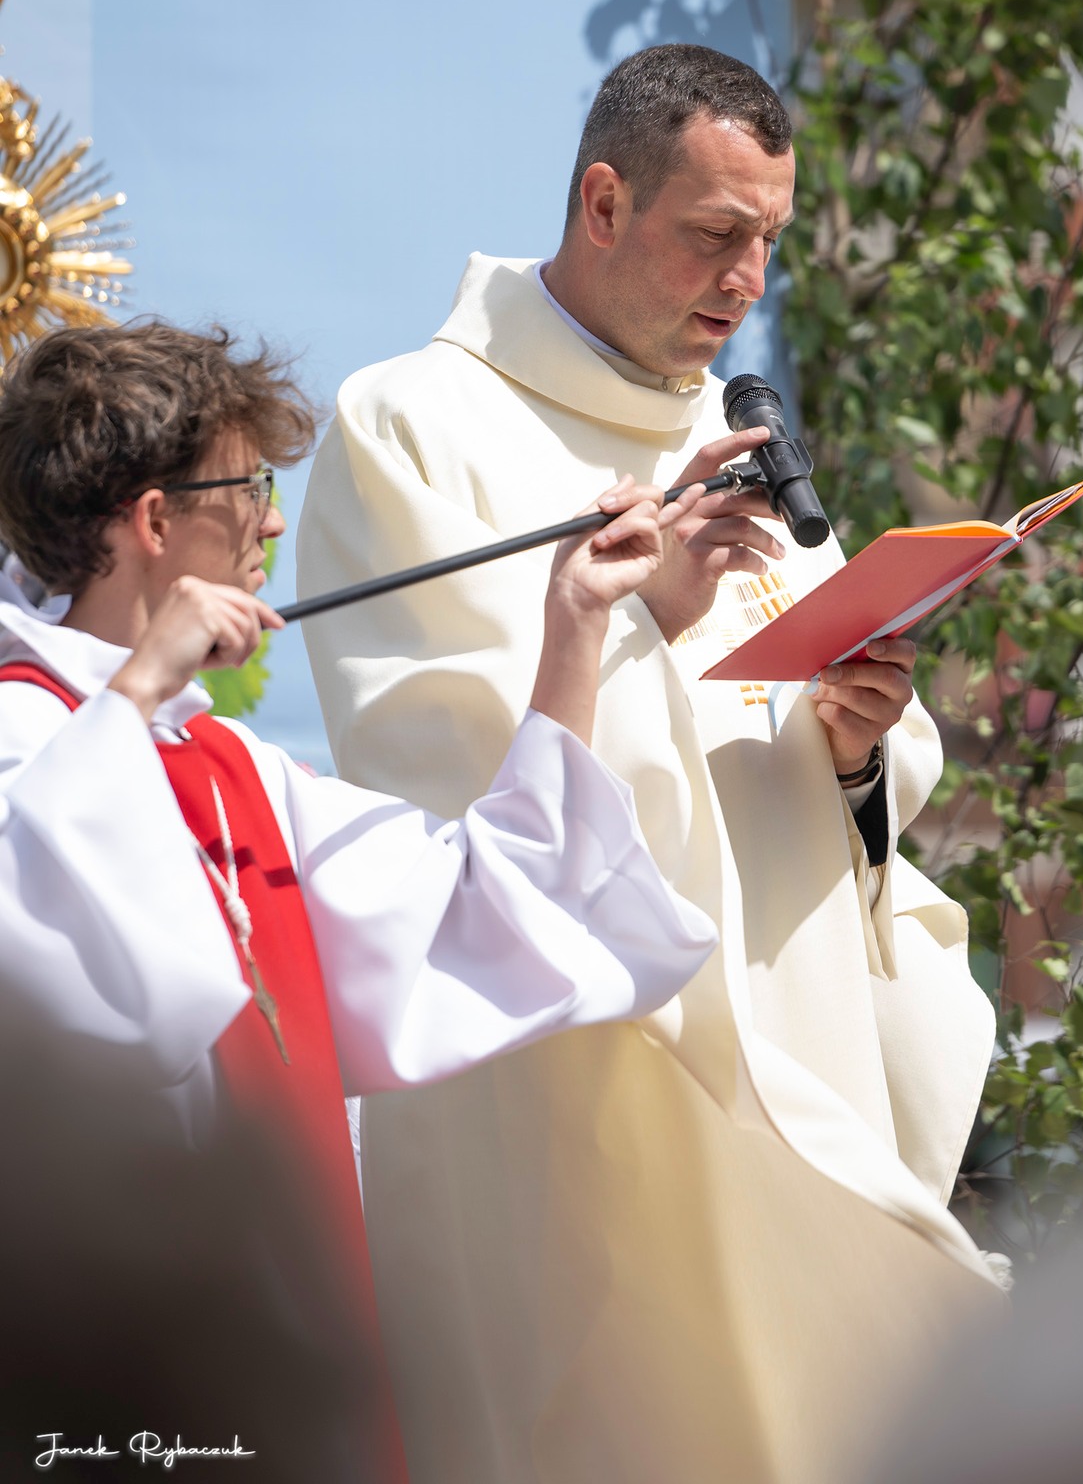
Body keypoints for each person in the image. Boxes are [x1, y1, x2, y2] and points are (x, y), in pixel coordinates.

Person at [298, 43, 1005, 1484]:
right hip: (586, 1090)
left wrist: (853, 746)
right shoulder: (413, 424)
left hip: (794, 1052)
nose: (747, 280)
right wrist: (652, 625)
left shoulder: (731, 437)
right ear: (606, 203)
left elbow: (829, 769)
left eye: (769, 241)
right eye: (716, 234)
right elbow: (446, 768)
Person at [0, 319, 716, 1483]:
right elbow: (41, 973)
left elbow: (477, 901)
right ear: (154, 521)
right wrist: (135, 689)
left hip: (281, 1333)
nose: (273, 523)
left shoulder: (230, 764)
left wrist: (576, 622)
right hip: (104, 1365)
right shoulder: (29, 733)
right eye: (249, 488)